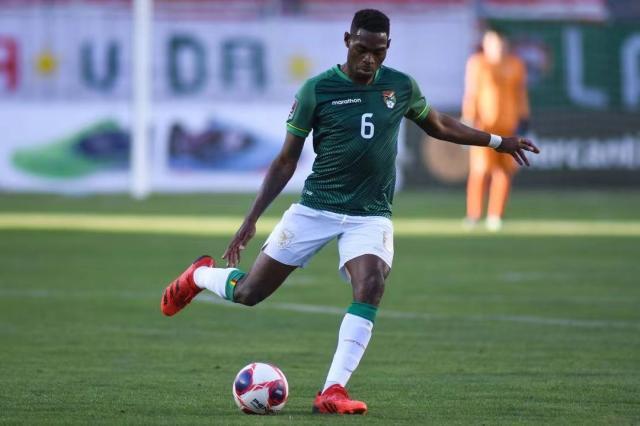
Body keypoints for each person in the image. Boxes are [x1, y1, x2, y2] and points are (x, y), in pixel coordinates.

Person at [160, 9, 539, 415]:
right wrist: (251, 220)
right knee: (249, 293)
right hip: (316, 208)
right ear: (347, 41)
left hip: (370, 214)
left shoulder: (400, 86)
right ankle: (199, 275)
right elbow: (286, 161)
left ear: (387, 48)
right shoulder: (316, 90)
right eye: (361, 49)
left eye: (378, 52)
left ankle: (332, 391)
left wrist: (497, 141)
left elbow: (440, 125)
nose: (369, 59)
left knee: (371, 284)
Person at [463, 28, 531, 231]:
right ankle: (474, 214)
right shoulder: (478, 63)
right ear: (485, 45)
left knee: (504, 171)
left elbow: (520, 93)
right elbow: (472, 93)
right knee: (480, 170)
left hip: (509, 125)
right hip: (484, 126)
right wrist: (468, 118)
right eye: (493, 43)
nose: (498, 48)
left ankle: (495, 215)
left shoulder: (516, 64)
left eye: (500, 44)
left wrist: (524, 116)